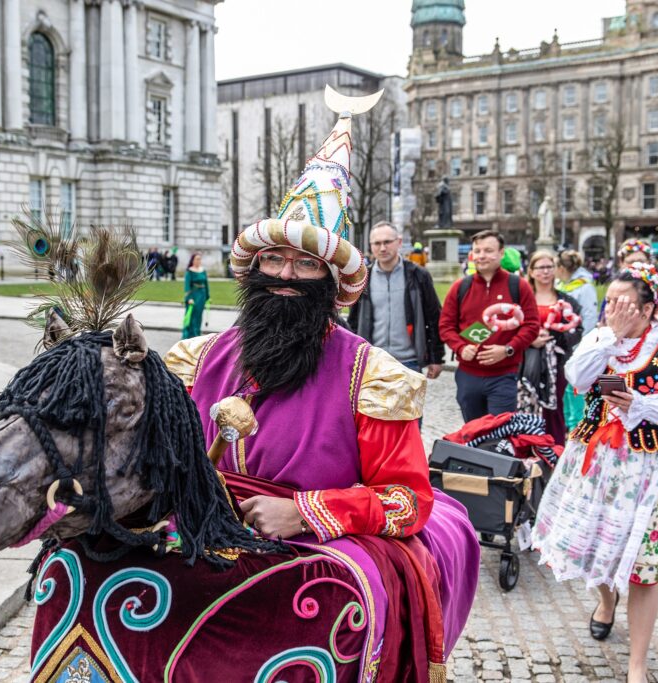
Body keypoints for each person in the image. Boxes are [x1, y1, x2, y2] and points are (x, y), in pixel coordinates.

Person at [165, 101, 480, 676]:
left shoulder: (369, 375)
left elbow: (408, 501)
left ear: (331, 283)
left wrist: (305, 512)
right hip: (198, 545)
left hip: (306, 557)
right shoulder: (197, 359)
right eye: (274, 259)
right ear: (254, 269)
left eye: (306, 264)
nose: (286, 275)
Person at [531, 262, 658, 683]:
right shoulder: (601, 338)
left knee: (643, 568)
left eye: (624, 305)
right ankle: (606, 602)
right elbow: (576, 377)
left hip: (649, 468)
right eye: (609, 302)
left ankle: (636, 666)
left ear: (650, 309)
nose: (613, 311)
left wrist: (641, 404)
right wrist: (610, 336)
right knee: (595, 546)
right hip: (598, 462)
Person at [439, 230, 540, 422]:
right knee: (472, 430)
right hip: (468, 375)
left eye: (488, 250)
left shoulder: (518, 286)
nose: (481, 256)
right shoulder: (460, 287)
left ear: (501, 253)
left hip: (504, 375)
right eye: (477, 251)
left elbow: (532, 325)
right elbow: (445, 326)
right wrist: (460, 347)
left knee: (499, 431)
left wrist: (508, 349)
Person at [348, 221, 444, 386]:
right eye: (377, 243)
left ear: (399, 242)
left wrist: (436, 358)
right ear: (371, 246)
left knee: (411, 405)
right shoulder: (363, 278)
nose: (382, 248)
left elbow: (434, 318)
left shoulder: (418, 275)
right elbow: (353, 322)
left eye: (387, 242)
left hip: (409, 363)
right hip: (372, 363)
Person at [521, 251, 583, 445]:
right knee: (526, 404)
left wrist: (554, 337)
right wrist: (529, 339)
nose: (546, 272)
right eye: (541, 267)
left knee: (555, 410)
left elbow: (577, 331)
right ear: (531, 271)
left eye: (549, 267)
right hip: (526, 362)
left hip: (556, 363)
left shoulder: (567, 301)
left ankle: (554, 448)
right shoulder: (522, 299)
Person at [556, 250, 598, 333]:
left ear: (561, 269)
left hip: (578, 336)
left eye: (554, 267)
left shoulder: (585, 287)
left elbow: (589, 317)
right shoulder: (560, 284)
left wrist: (580, 338)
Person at [181, 252, 209, 339]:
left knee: (199, 315)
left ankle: (197, 332)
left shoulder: (203, 270)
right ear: (192, 260)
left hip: (202, 296)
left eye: (199, 259)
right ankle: (190, 335)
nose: (198, 261)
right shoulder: (189, 271)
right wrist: (189, 298)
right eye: (197, 259)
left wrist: (208, 296)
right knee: (192, 315)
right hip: (193, 295)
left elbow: (206, 284)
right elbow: (187, 286)